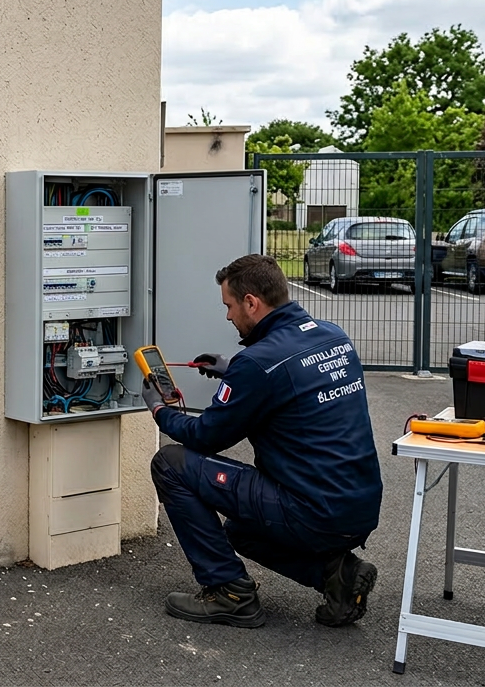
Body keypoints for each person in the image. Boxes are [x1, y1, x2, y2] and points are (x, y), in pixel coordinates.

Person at [141, 254, 382, 629]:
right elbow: (292, 377)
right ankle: (337, 576)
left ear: (252, 302)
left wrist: (160, 411)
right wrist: (230, 369)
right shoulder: (334, 336)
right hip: (358, 507)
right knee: (241, 531)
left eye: (230, 306)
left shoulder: (257, 364)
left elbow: (206, 437)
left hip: (311, 512)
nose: (228, 317)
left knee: (171, 464)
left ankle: (229, 594)